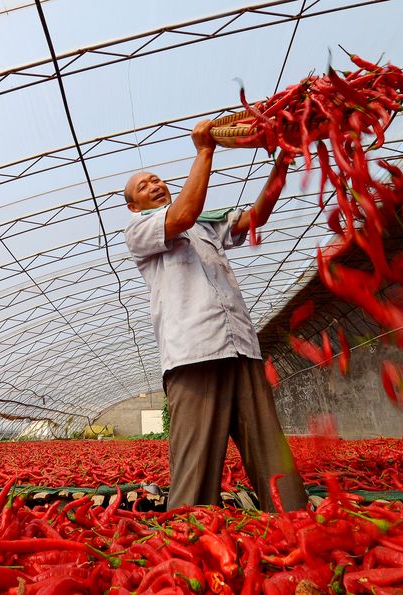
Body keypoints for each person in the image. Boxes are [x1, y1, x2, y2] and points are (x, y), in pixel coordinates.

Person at [123, 119, 306, 512]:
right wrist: (206, 150)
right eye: (143, 186)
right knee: (196, 469)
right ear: (134, 206)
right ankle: (189, 538)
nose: (154, 185)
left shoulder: (205, 226)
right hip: (194, 353)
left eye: (157, 179)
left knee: (273, 457)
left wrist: (282, 161)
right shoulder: (139, 231)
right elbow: (183, 215)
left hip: (241, 348)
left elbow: (256, 217)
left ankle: (296, 525)